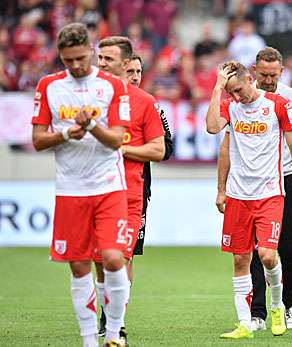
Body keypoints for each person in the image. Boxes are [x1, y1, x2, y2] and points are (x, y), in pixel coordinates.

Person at [31, 23, 131, 347]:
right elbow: (37, 140)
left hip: (108, 185)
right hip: (70, 188)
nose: (74, 66)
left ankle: (114, 332)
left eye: (79, 58)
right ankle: (89, 340)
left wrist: (91, 126)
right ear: (60, 56)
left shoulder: (113, 86)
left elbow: (117, 139)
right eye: (67, 60)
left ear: (90, 51)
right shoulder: (48, 86)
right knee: (78, 265)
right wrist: (64, 133)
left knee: (114, 258)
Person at [206, 61, 292, 339]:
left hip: (270, 193)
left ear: (250, 79)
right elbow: (212, 128)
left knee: (267, 254)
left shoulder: (278, 105)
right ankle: (244, 323)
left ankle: (277, 307)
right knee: (240, 258)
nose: (237, 96)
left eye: (238, 89)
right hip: (239, 195)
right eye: (231, 92)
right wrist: (218, 87)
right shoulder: (231, 106)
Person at [93, 36, 166, 345]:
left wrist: (121, 149)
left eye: (108, 59)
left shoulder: (146, 102)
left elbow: (160, 150)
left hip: (128, 194)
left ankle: (116, 325)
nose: (102, 65)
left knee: (121, 259)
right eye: (100, 59)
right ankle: (105, 318)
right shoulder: (89, 97)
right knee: (98, 260)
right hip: (93, 191)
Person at [126, 54, 174, 259]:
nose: (136, 77)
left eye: (138, 71)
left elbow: (167, 147)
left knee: (126, 254)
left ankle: (121, 293)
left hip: (137, 188)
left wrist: (131, 149)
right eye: (130, 72)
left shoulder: (149, 105)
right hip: (102, 187)